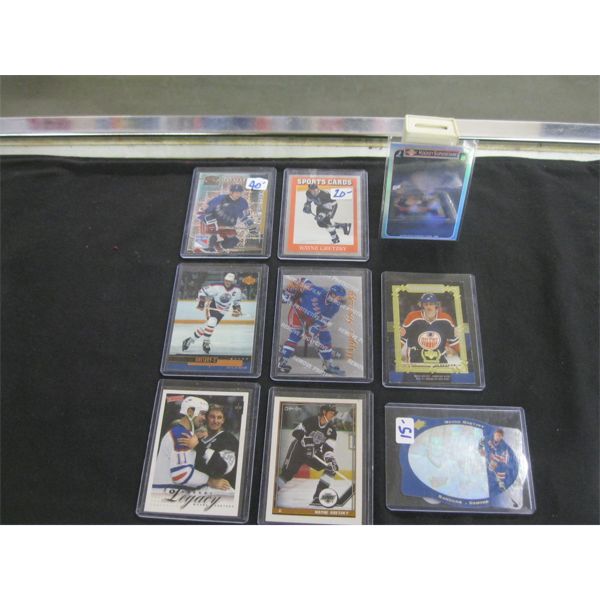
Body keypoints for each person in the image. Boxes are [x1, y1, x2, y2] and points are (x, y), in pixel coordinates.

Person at [153, 396, 229, 490]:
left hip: (169, 491)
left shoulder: (186, 433)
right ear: (189, 411)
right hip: (166, 492)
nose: (204, 418)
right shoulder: (181, 434)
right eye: (202, 413)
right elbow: (181, 475)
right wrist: (210, 481)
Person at [277, 278, 346, 375]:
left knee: (325, 337)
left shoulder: (335, 306)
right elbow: (303, 280)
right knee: (296, 335)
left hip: (313, 320)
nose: (339, 300)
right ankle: (281, 363)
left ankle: (328, 366)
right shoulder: (316, 291)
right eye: (338, 297)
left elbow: (324, 320)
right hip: (298, 314)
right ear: (332, 294)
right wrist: (288, 292)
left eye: (341, 298)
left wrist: (313, 330)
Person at [277, 404, 339, 506]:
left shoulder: (332, 430)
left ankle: (318, 497)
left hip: (313, 453)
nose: (333, 415)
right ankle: (273, 490)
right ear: (324, 411)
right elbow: (296, 431)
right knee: (287, 474)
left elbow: (328, 449)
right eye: (331, 413)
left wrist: (330, 460)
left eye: (334, 414)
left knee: (331, 469)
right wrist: (307, 441)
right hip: (298, 449)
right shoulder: (312, 420)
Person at [177, 404, 239, 489]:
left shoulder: (229, 439)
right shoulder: (198, 436)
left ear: (223, 420)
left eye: (219, 417)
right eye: (212, 417)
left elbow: (221, 469)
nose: (215, 421)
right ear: (206, 418)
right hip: (194, 485)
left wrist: (198, 446)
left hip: (220, 490)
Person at [182, 272, 243, 354]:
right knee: (212, 322)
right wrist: (201, 302)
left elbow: (236, 301)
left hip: (223, 311)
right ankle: (206, 342)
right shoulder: (216, 286)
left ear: (233, 282)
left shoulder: (237, 290)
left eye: (229, 281)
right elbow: (203, 290)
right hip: (213, 306)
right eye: (226, 280)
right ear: (224, 280)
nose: (227, 282)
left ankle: (190, 340)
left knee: (207, 327)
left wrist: (237, 309)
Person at [194, 183, 258, 253]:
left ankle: (217, 246)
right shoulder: (220, 198)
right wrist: (206, 219)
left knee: (233, 242)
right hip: (211, 222)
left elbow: (245, 216)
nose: (238, 194)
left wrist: (251, 226)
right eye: (236, 192)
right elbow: (202, 211)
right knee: (210, 236)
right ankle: (203, 248)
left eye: (240, 192)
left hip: (227, 226)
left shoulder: (243, 202)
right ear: (231, 192)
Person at [400, 293, 460, 364]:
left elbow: (454, 342)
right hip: (416, 359)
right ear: (422, 305)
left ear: (436, 305)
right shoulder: (412, 317)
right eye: (426, 304)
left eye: (431, 304)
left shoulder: (446, 319)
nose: (429, 307)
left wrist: (465, 359)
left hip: (439, 359)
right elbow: (402, 339)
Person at [478, 428, 511, 492]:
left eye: (499, 436)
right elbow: (481, 441)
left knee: (498, 470)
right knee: (489, 467)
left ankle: (501, 483)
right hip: (491, 456)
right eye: (496, 435)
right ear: (494, 434)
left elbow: (501, 459)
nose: (497, 437)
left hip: (500, 460)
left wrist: (494, 463)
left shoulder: (503, 447)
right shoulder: (488, 438)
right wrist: (480, 449)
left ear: (501, 437)